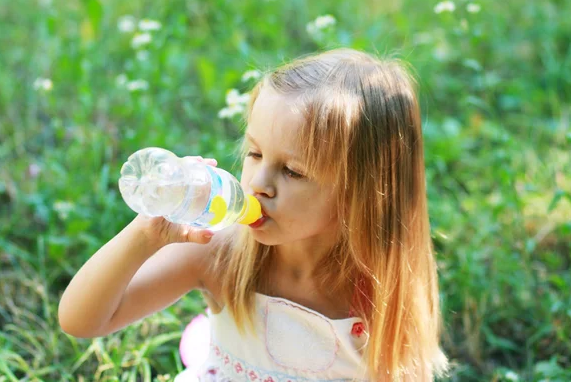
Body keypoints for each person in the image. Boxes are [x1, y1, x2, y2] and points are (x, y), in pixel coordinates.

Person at [58, 48, 449, 381]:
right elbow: (82, 320)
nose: (258, 183)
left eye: (293, 171)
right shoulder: (220, 252)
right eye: (255, 153)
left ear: (361, 194)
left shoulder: (381, 293)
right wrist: (144, 235)